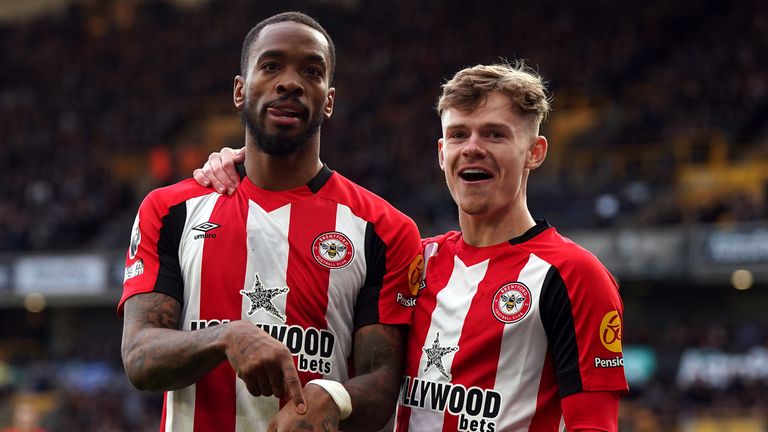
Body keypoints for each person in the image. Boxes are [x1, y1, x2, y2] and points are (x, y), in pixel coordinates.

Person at [197, 62, 628, 431]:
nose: (473, 148)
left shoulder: (573, 276)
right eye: (459, 135)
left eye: (495, 135)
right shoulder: (411, 260)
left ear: (534, 152)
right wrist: (252, 162)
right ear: (442, 153)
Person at [120, 11, 422, 432]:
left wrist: (333, 398)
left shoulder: (384, 229)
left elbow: (385, 382)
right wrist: (226, 337)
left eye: (311, 71)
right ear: (240, 91)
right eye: (271, 65)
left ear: (328, 100)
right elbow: (138, 358)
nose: (290, 82)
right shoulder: (169, 209)